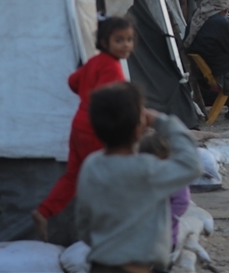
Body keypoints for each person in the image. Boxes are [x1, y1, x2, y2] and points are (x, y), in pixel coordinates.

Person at [76, 83, 200, 273]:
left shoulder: (91, 165)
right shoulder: (146, 169)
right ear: (138, 128)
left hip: (99, 265)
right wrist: (161, 121)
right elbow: (191, 163)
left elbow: (83, 225)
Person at [33, 16, 134, 240]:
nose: (126, 45)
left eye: (129, 39)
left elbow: (72, 81)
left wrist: (85, 93)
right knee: (102, 176)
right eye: (119, 40)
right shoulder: (112, 68)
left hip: (79, 124)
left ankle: (44, 211)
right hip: (95, 129)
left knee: (73, 175)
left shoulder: (95, 62)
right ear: (105, 42)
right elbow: (109, 101)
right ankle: (104, 228)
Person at [138, 132, 191, 253]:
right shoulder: (141, 175)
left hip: (165, 237)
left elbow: (182, 202)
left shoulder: (174, 176)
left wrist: (164, 218)